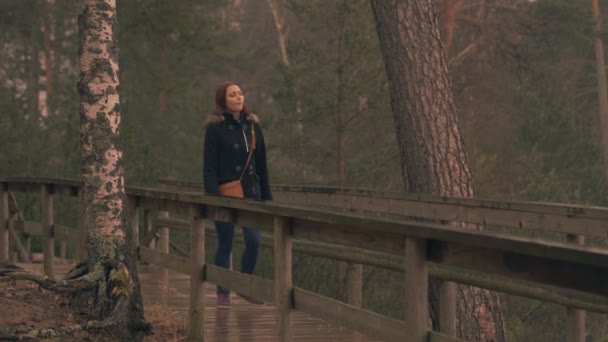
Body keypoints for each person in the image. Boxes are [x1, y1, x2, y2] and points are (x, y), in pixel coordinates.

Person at [202, 81, 273, 306]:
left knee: (254, 240)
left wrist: (267, 197)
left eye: (241, 93)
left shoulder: (253, 127)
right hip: (225, 194)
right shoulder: (215, 129)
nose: (238, 97)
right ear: (223, 100)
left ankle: (244, 285)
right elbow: (209, 166)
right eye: (233, 95)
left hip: (251, 194)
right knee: (226, 243)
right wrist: (212, 198)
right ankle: (223, 291)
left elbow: (262, 164)